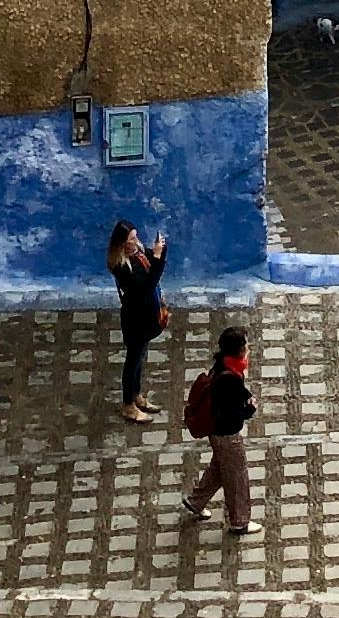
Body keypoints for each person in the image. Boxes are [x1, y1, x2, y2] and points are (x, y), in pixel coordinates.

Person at [182, 323, 255, 535]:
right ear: (239, 350)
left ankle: (196, 502)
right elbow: (231, 413)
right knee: (237, 476)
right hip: (226, 434)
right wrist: (249, 410)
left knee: (219, 468)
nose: (248, 348)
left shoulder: (224, 366)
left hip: (217, 433)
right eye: (246, 345)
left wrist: (245, 396)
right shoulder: (230, 378)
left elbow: (236, 391)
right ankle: (240, 521)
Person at [106, 217, 168, 423]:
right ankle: (128, 405)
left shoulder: (137, 252)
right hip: (136, 319)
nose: (136, 240)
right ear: (123, 242)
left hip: (147, 314)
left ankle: (136, 395)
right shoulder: (122, 266)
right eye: (132, 238)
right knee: (132, 361)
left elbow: (152, 264)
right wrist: (158, 259)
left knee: (140, 357)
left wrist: (159, 251)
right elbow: (145, 287)